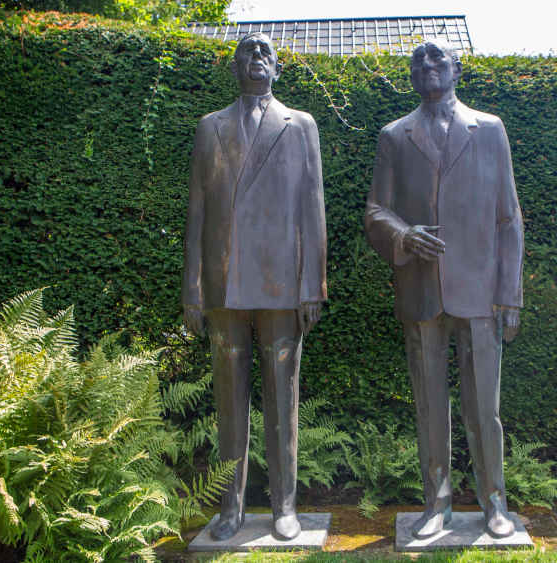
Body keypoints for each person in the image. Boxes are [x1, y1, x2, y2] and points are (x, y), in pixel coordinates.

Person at [364, 39, 524, 540]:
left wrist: (510, 293)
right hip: (420, 290)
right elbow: (375, 211)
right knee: (430, 406)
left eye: (438, 59)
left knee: (484, 409)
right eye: (419, 61)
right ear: (410, 75)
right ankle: (437, 504)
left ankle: (494, 501)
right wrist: (403, 235)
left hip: (480, 292)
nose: (429, 67)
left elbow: (508, 216)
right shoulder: (394, 136)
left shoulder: (490, 129)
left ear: (457, 68)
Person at [182, 32, 326, 542]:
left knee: (283, 400)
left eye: (265, 52)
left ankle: (285, 504)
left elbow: (313, 209)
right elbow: (197, 211)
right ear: (234, 66)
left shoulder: (301, 126)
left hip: (282, 284)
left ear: (278, 67)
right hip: (224, 286)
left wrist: (314, 285)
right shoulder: (210, 128)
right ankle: (232, 507)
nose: (256, 58)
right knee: (229, 402)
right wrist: (193, 289)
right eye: (247, 51)